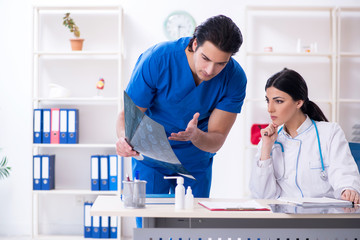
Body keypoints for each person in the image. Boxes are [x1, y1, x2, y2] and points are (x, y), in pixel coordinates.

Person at [116, 15, 247, 198]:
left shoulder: (234, 79)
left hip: (195, 161)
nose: (210, 70)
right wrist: (124, 139)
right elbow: (128, 116)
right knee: (150, 221)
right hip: (151, 157)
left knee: (192, 224)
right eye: (205, 58)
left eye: (220, 64)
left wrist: (196, 136)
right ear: (194, 44)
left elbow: (217, 138)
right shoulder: (158, 59)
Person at [249, 68, 360, 204]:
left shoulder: (330, 132)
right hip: (284, 219)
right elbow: (261, 197)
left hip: (322, 217)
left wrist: (348, 189)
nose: (270, 109)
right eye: (268, 101)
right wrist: (266, 148)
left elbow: (343, 172)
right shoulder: (269, 140)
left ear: (299, 102)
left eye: (278, 101)